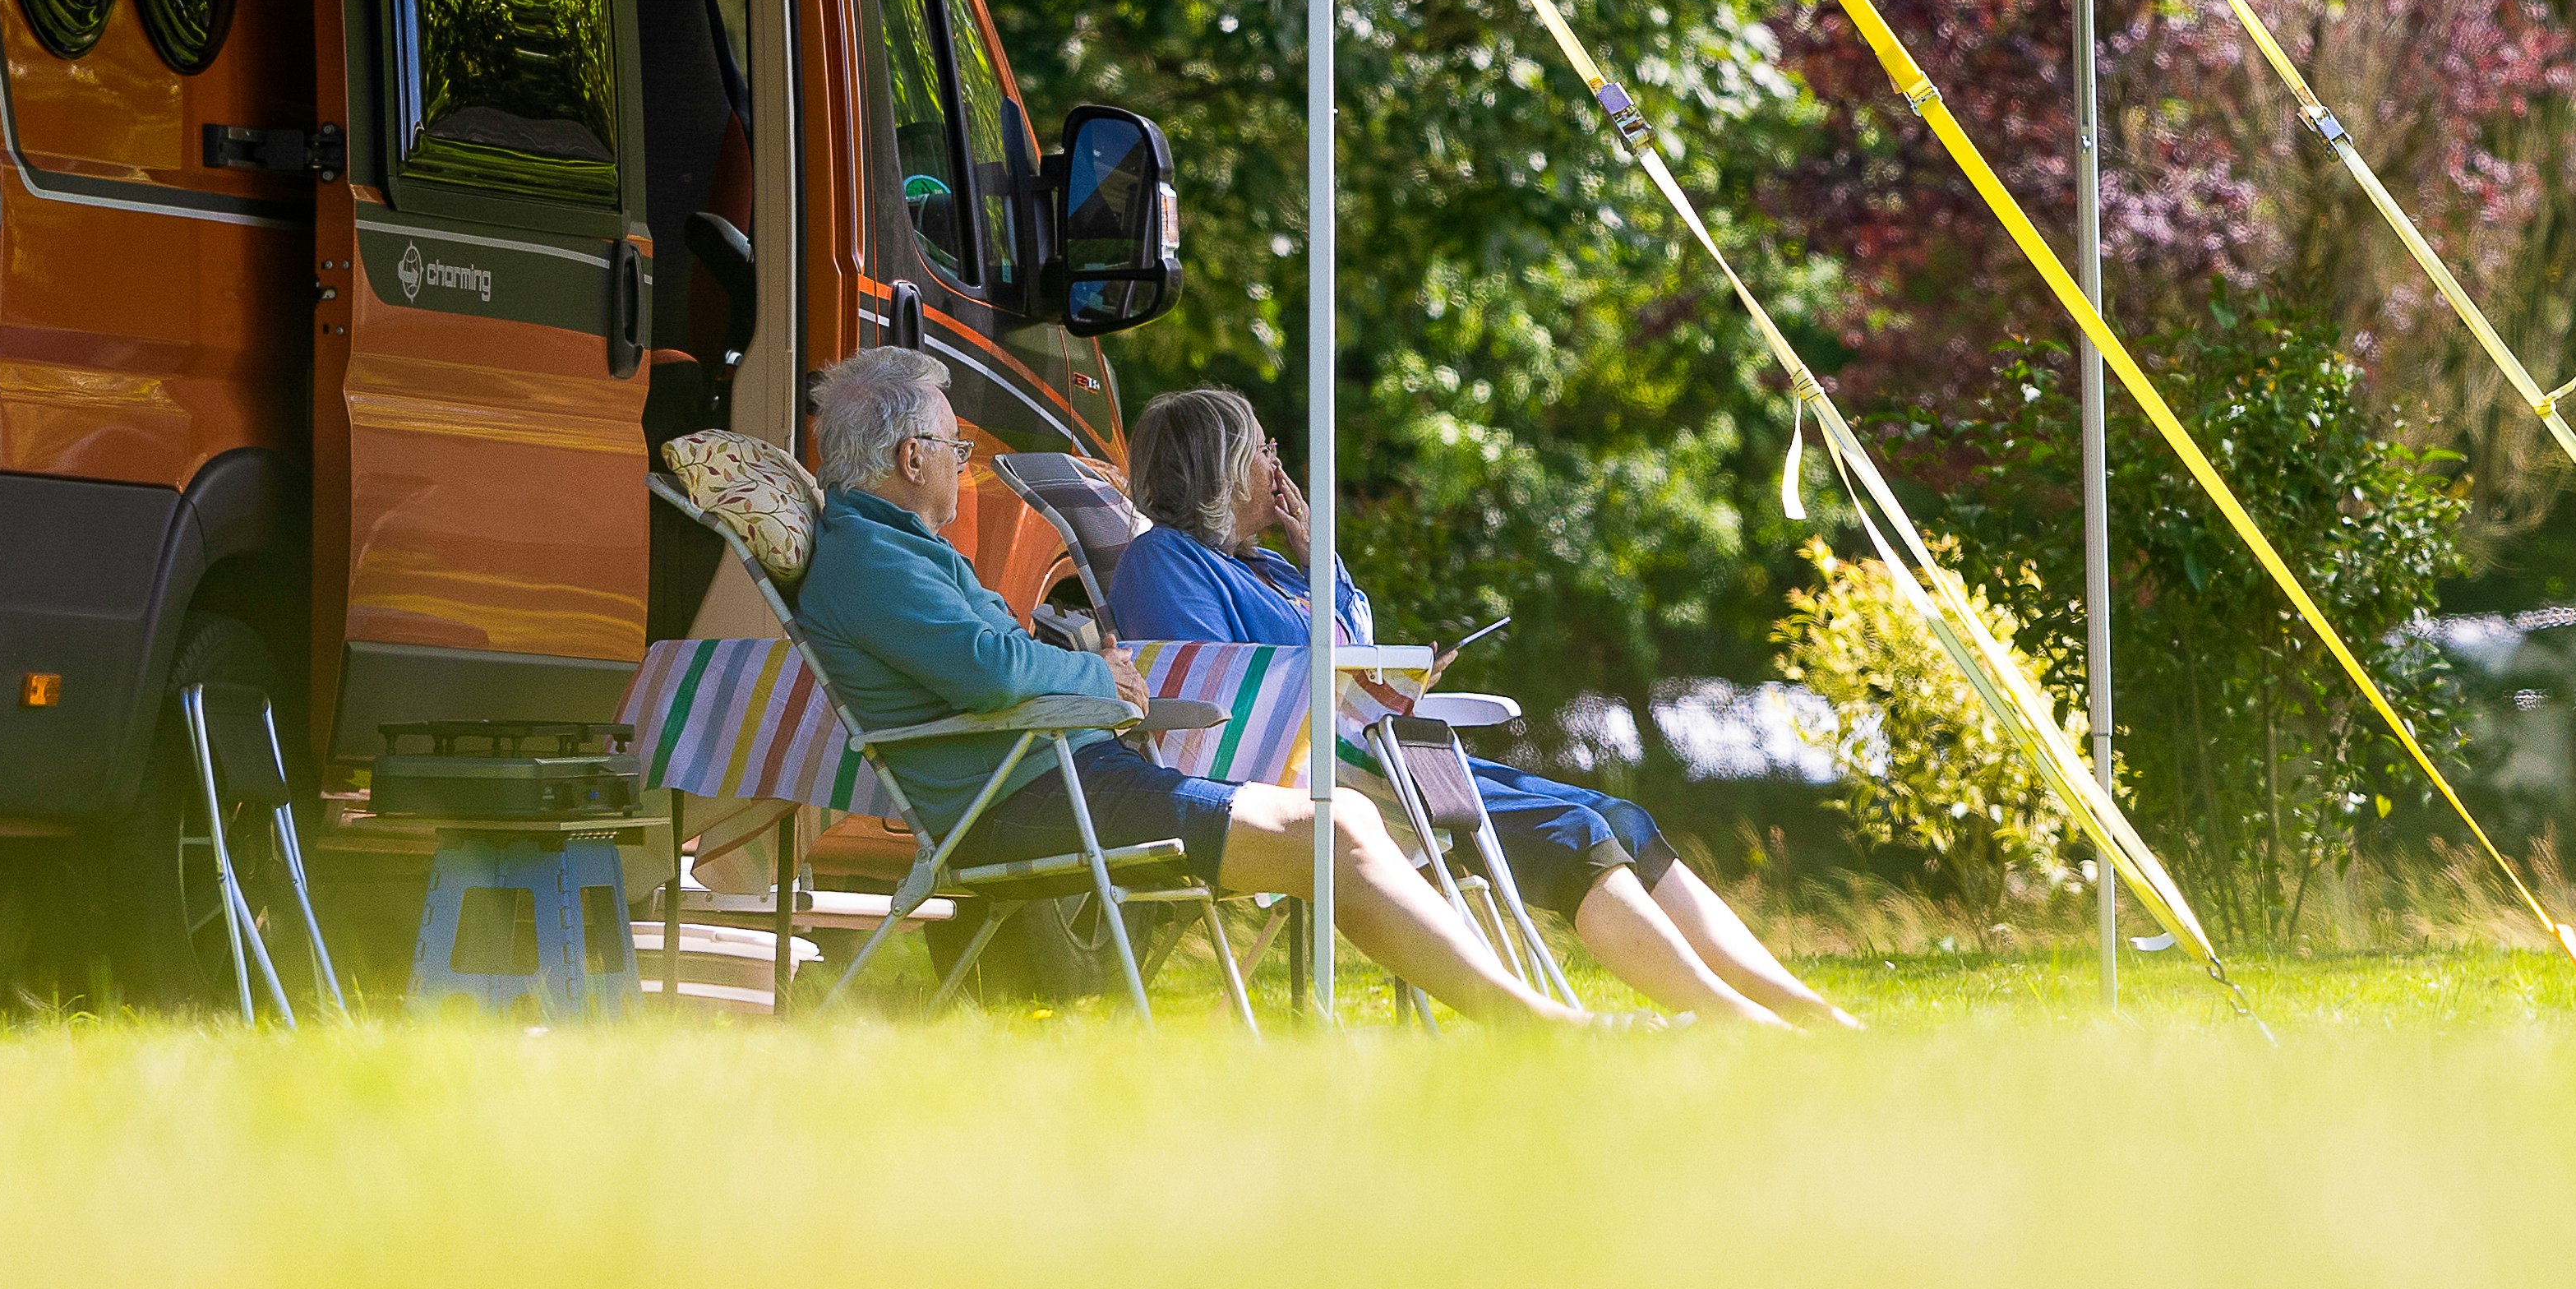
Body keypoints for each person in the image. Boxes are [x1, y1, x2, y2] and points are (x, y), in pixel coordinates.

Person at [792, 350, 1590, 1027]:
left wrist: (1085, 682)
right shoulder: (873, 558)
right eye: (954, 447)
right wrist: (1095, 676)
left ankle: (1524, 1014)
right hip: (1029, 801)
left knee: (1335, 819)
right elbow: (994, 668)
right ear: (910, 458)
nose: (962, 462)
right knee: (1333, 828)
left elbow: (991, 662)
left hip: (1064, 782)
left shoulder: (896, 551)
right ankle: (1529, 1022)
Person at [1108, 386, 1856, 1033]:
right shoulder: (1166, 560)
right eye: (1260, 446)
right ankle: (1735, 1021)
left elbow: (1353, 644)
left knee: (1615, 817)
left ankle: (1797, 1006)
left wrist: (1315, 554)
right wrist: (1364, 679)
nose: (1276, 462)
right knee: (1574, 831)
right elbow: (1219, 692)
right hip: (1316, 779)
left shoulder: (1268, 565)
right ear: (1217, 467)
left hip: (1373, 751)